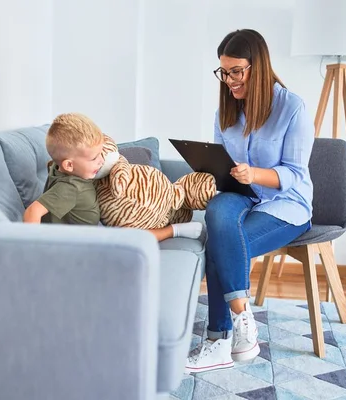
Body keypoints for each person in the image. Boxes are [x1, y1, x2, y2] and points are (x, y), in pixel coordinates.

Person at [185, 29, 314, 373]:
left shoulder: (292, 108)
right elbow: (222, 163)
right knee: (216, 211)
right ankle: (243, 318)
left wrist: (253, 174)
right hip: (240, 194)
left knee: (218, 246)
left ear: (258, 67)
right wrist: (210, 173)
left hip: (287, 204)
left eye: (236, 71)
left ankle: (219, 339)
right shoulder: (225, 112)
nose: (228, 80)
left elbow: (294, 174)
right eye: (223, 72)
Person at [24, 113, 204, 242]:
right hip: (84, 241)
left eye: (101, 154)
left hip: (91, 225)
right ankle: (172, 231)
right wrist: (35, 247)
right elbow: (33, 211)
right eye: (94, 158)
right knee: (130, 234)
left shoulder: (61, 167)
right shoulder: (70, 188)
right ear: (69, 165)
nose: (101, 161)